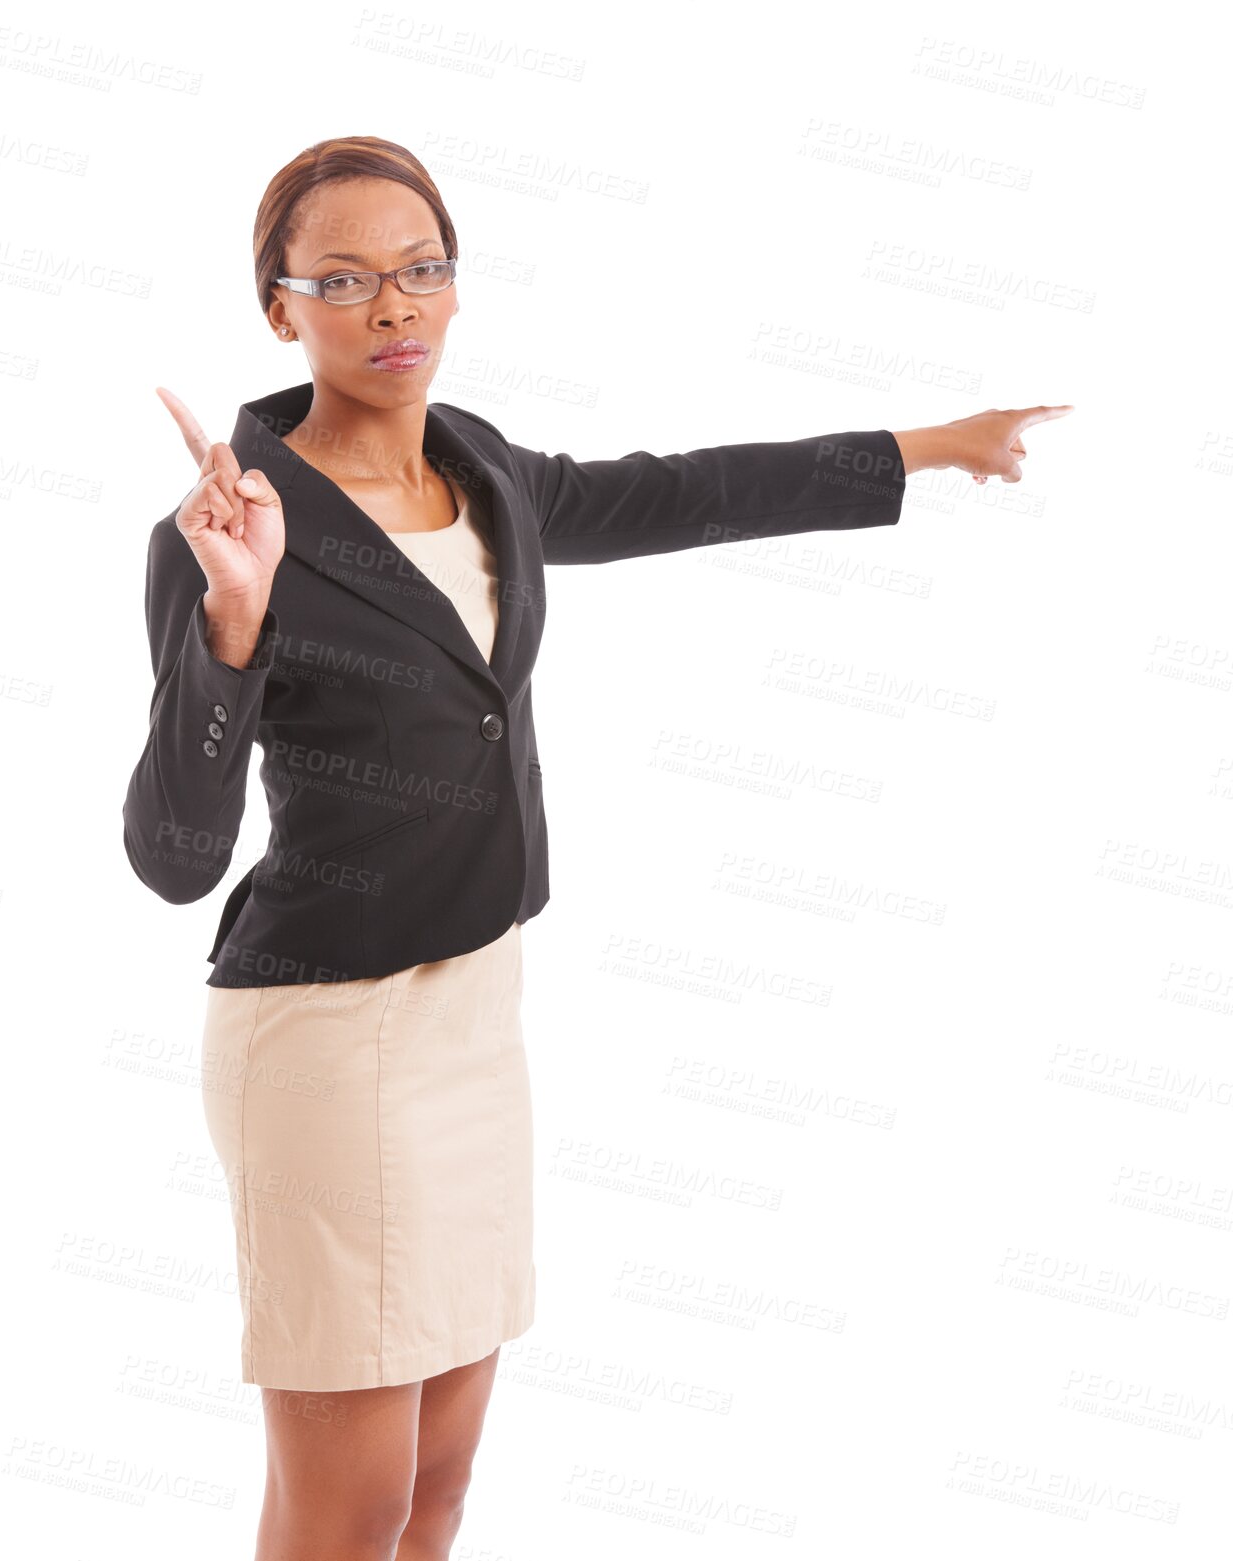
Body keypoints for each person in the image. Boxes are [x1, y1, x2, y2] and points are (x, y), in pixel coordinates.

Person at [126, 135, 1072, 1561]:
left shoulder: (485, 469)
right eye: (348, 280)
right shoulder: (226, 531)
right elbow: (174, 852)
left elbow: (684, 492)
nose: (396, 308)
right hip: (327, 1032)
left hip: (471, 1020)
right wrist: (234, 622)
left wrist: (928, 447)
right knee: (350, 1503)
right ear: (281, 308)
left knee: (437, 1485)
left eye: (423, 270)